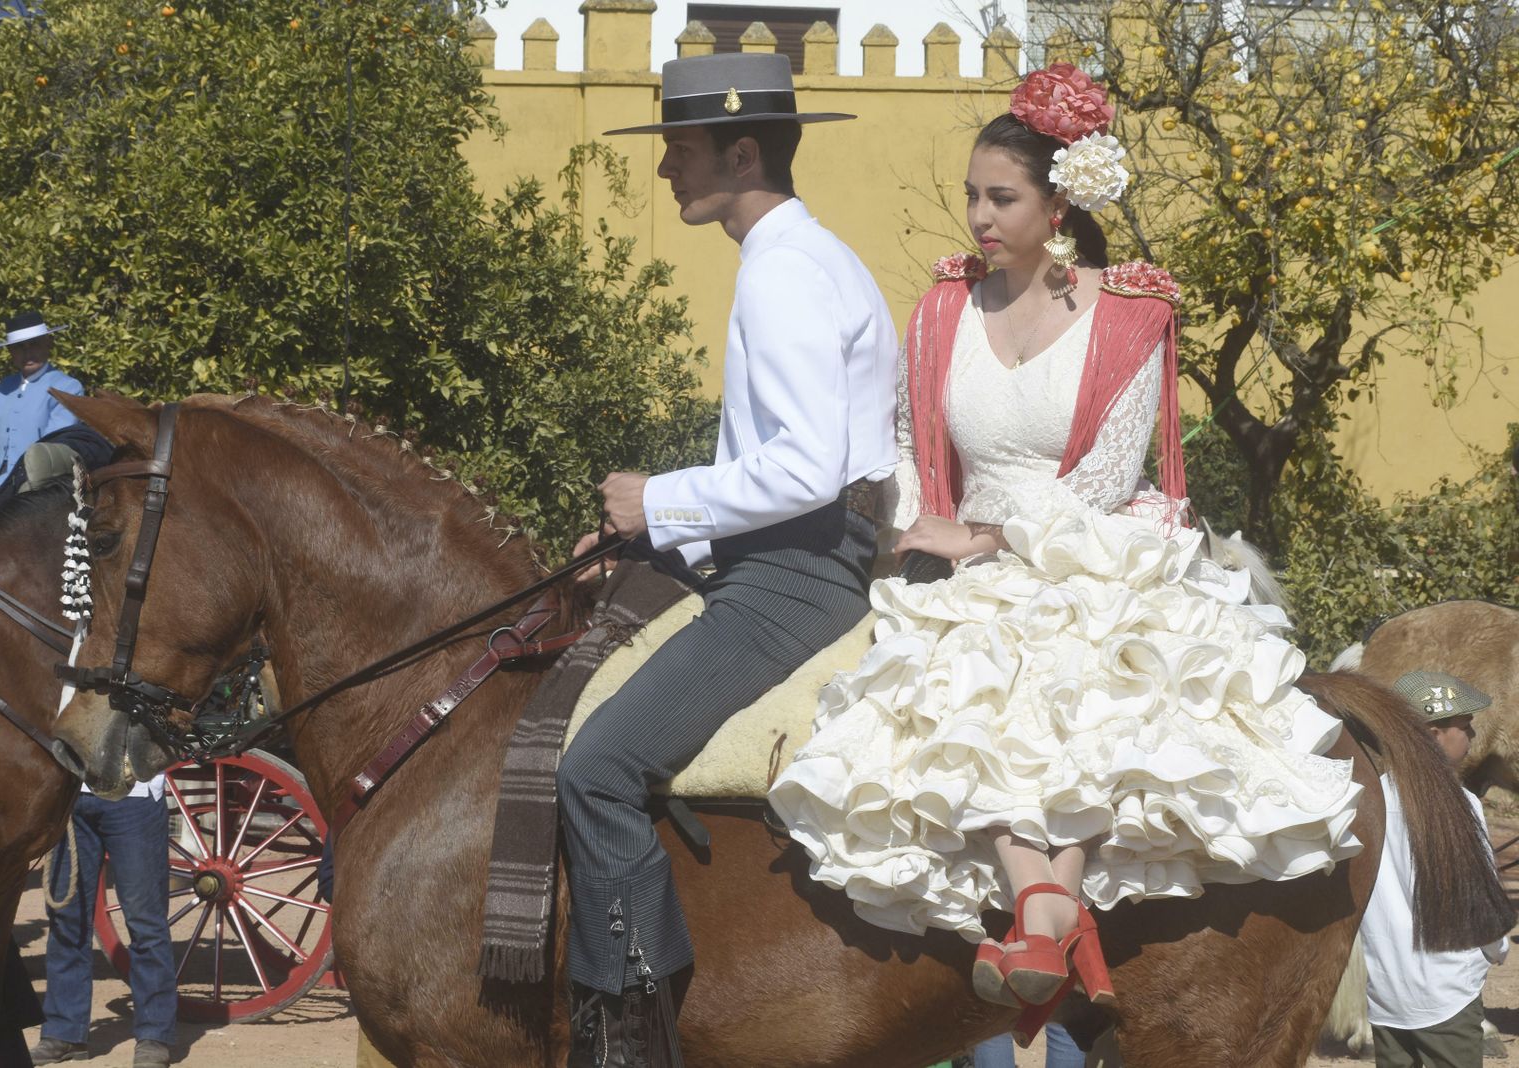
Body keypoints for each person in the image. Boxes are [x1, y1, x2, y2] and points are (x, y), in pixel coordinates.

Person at [768, 63, 1363, 1044]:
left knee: (1086, 677)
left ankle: (1048, 911)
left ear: (1059, 203)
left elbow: (1102, 481)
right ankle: (1045, 913)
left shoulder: (1128, 315)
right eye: (971, 195)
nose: (978, 216)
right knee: (955, 684)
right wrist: (924, 526)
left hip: (1091, 548)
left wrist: (988, 538)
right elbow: (919, 449)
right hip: (965, 560)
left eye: (1000, 197)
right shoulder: (941, 311)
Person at [553, 52, 898, 1066]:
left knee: (597, 766)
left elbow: (801, 471)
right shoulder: (808, 258)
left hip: (795, 577)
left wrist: (655, 496)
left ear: (741, 152)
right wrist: (650, 531)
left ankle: (632, 1029)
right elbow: (778, 469)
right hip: (779, 554)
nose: (667, 169)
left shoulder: (784, 272)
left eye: (681, 148)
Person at [1361, 671, 1508, 1068]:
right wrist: (1498, 949)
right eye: (1465, 726)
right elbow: (1474, 900)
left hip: (1387, 990)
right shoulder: (1460, 804)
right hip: (1447, 991)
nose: (1473, 736)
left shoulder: (1368, 801)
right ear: (1434, 733)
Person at [30, 772, 175, 1067]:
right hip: (71, 795)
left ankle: (154, 1034)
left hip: (133, 793)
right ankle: (64, 1032)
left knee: (145, 920)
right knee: (65, 917)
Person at [0, 310, 84, 490]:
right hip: (1, 486)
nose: (27, 353)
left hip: (41, 489)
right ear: (10, 351)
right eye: (19, 347)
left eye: (34, 344)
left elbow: (47, 452)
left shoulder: (67, 387)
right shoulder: (6, 387)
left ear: (48, 343)